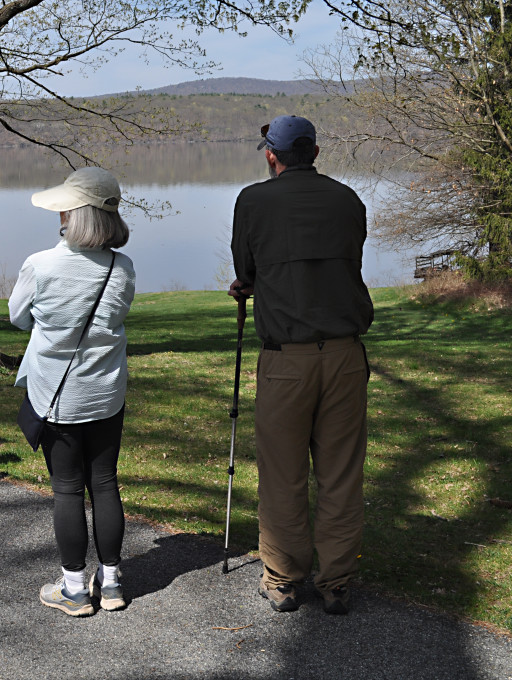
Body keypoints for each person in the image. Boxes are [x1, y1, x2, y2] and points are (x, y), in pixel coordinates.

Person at [229, 115, 374, 615]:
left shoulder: (253, 201)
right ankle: (336, 581)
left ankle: (284, 579)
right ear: (314, 152)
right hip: (345, 356)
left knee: (283, 474)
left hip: (286, 360)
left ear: (272, 155)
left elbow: (246, 270)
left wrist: (252, 285)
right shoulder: (348, 200)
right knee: (341, 473)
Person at [9, 167, 136, 617]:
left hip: (57, 396)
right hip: (106, 393)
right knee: (104, 482)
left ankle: (76, 589)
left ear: (73, 214)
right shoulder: (122, 267)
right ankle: (112, 583)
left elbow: (18, 318)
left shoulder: (40, 265)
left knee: (67, 489)